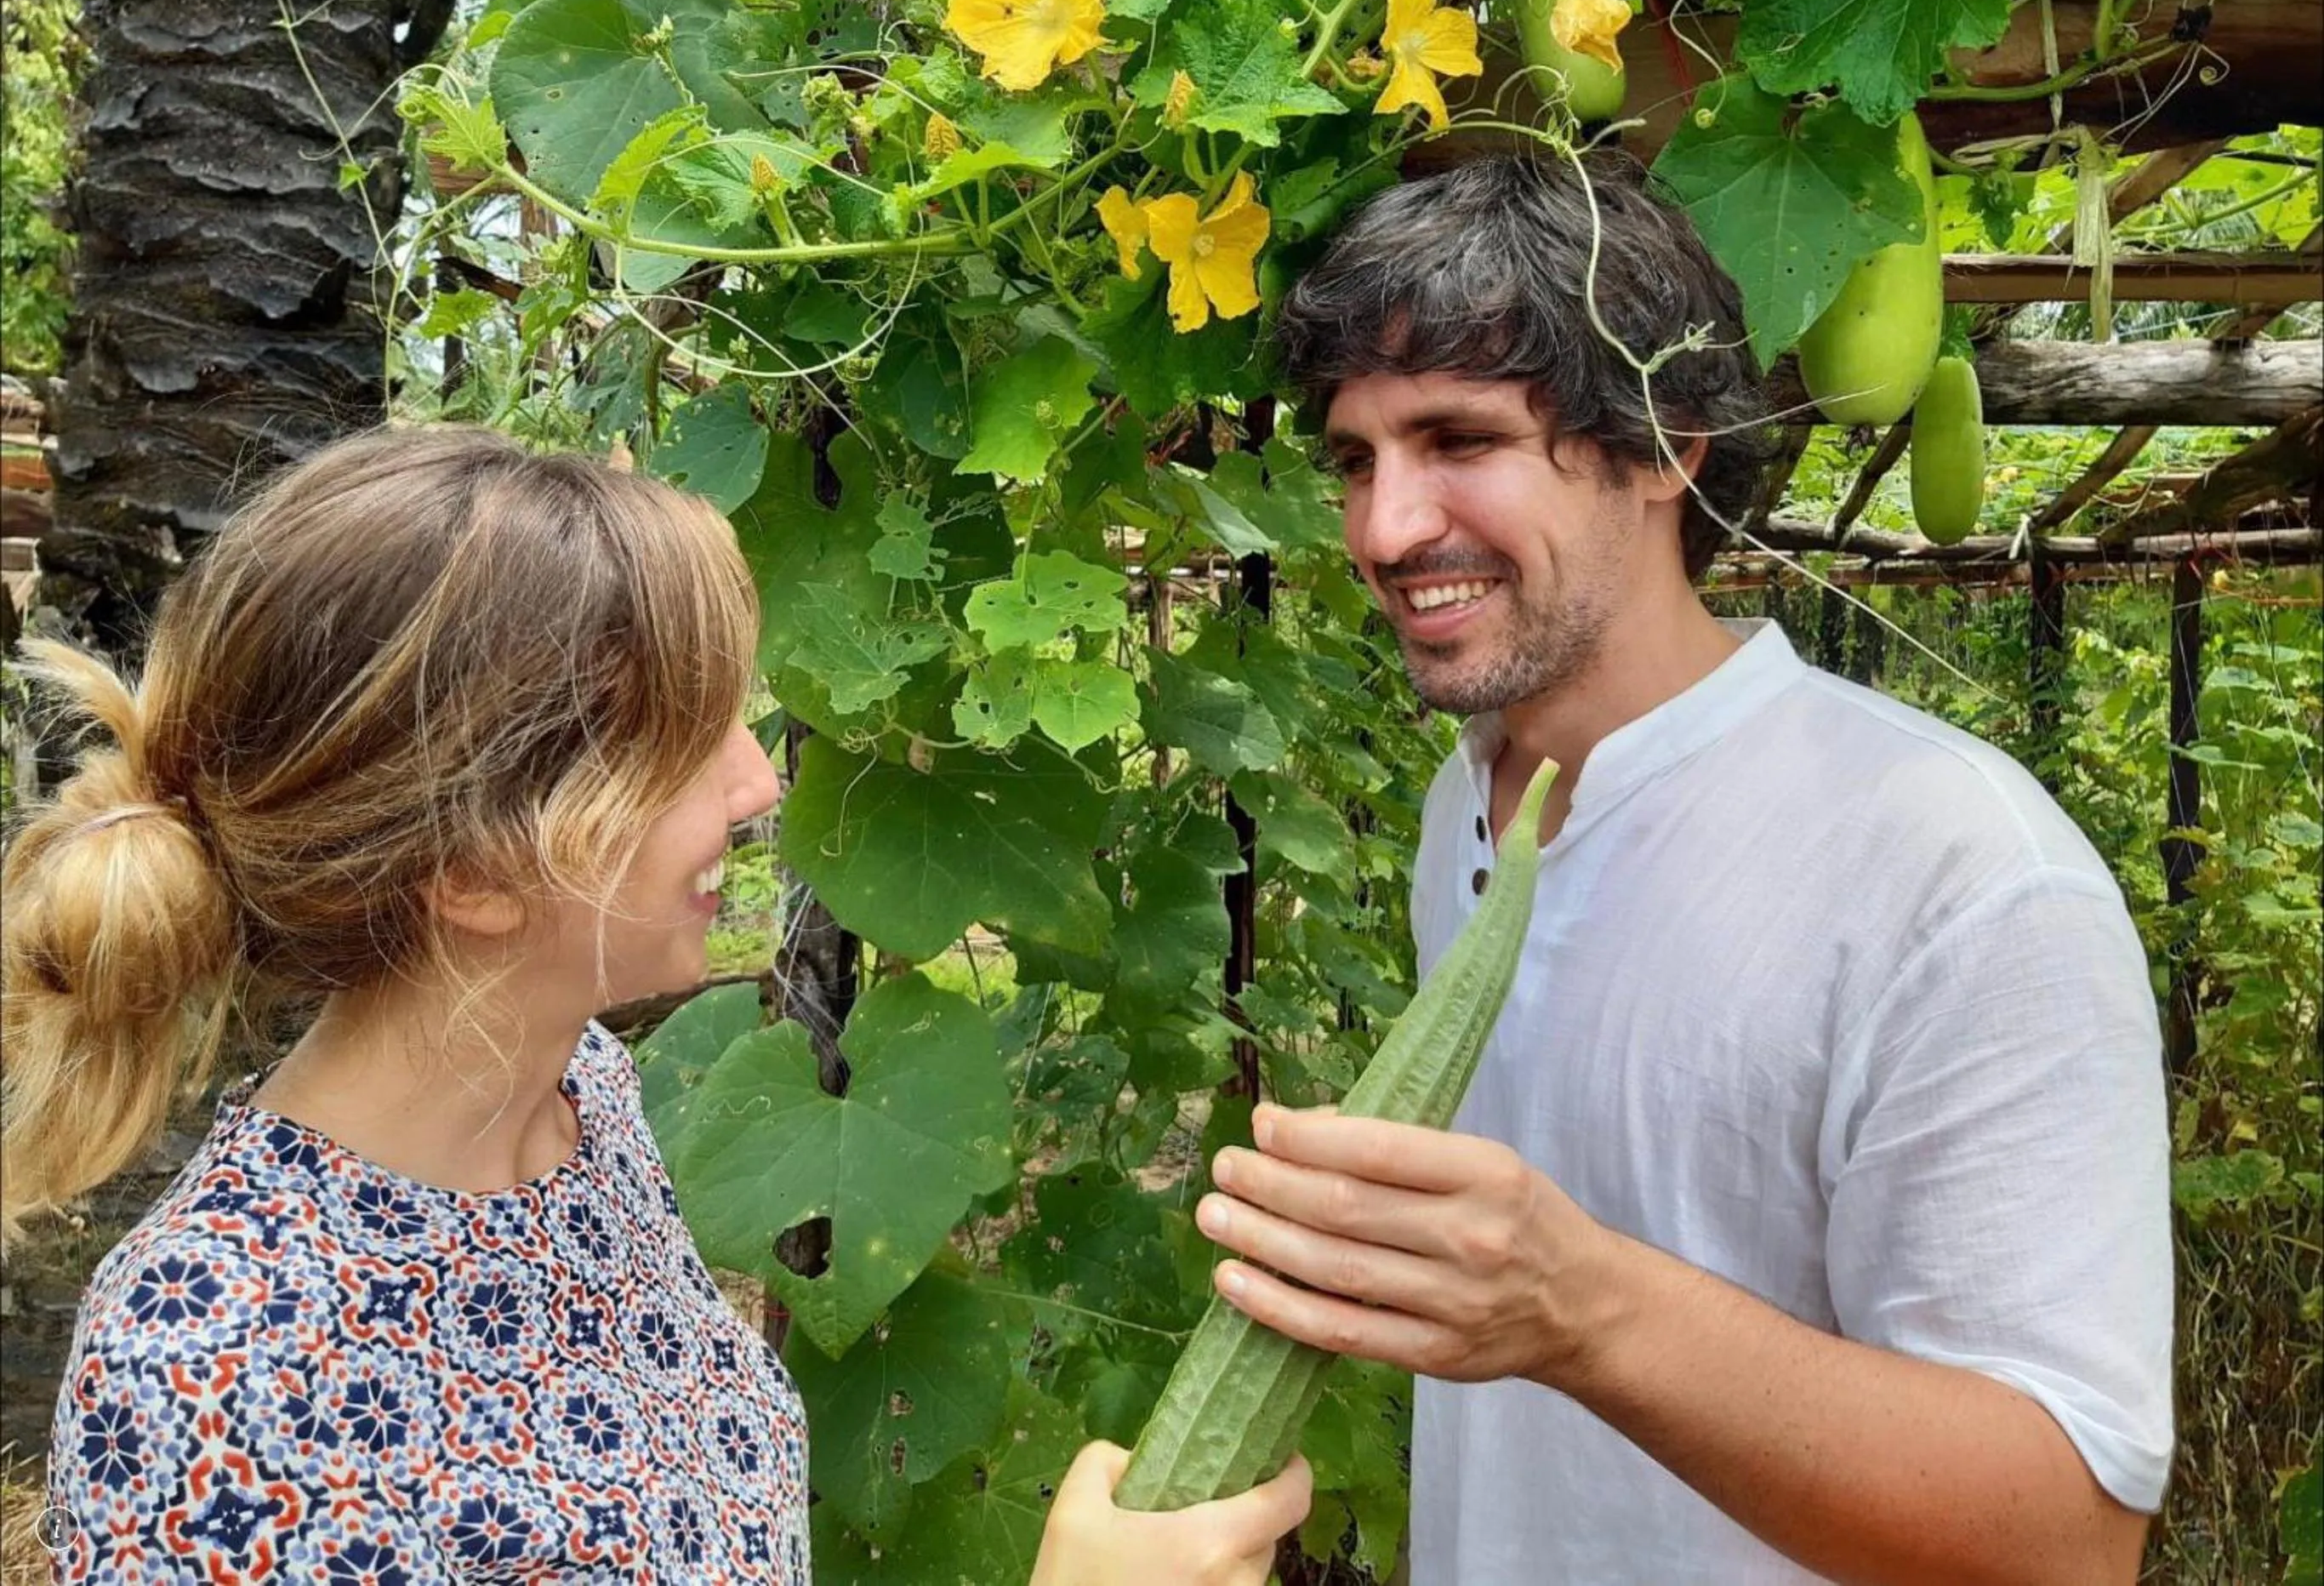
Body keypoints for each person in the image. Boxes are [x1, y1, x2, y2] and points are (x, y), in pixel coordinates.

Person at [3, 429, 1308, 1584]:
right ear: (474, 870)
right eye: (689, 741)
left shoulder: (581, 1106)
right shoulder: (216, 1376)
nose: (753, 783)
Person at [1185, 155, 2173, 1583]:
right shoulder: (1457, 811)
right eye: (1357, 457)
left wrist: (1584, 1306)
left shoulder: (1960, 877)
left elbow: (2071, 1535)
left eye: (1459, 439)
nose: (1386, 529)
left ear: (1664, 443)